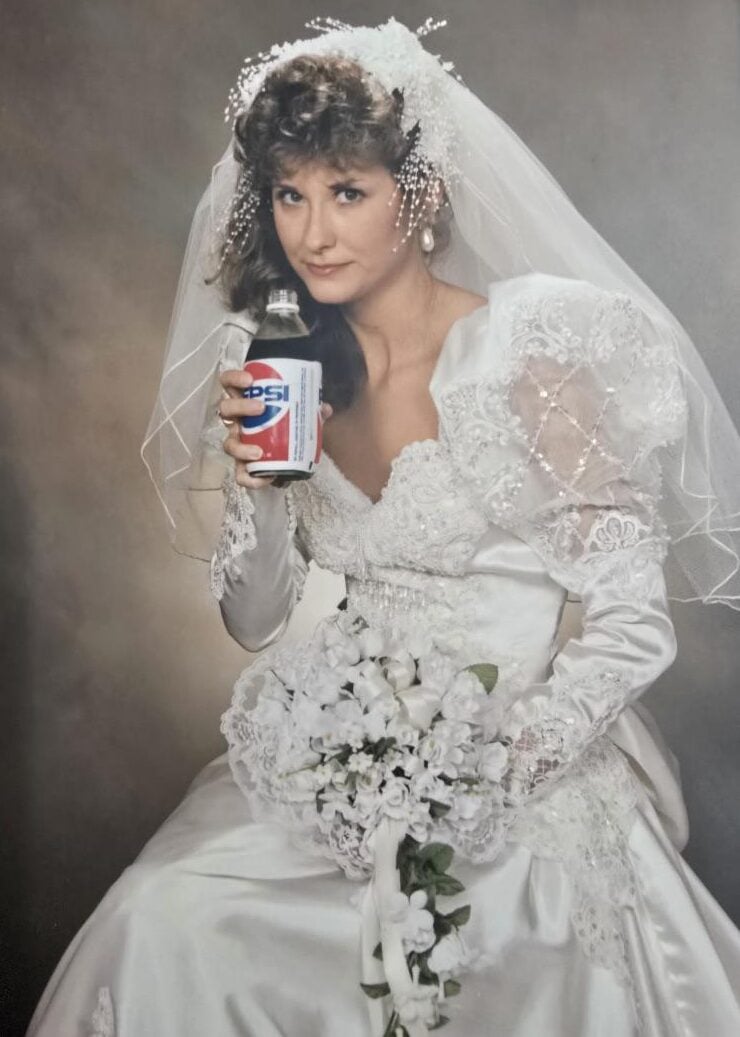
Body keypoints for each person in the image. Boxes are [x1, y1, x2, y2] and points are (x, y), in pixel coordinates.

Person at [27, 15, 740, 1037]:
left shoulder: (527, 354)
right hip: (338, 753)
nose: (311, 231)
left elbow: (632, 620)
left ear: (421, 194)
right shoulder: (275, 362)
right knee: (164, 912)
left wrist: (491, 764)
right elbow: (256, 619)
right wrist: (266, 483)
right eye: (289, 193)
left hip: (518, 749)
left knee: (500, 936)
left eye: (345, 191)